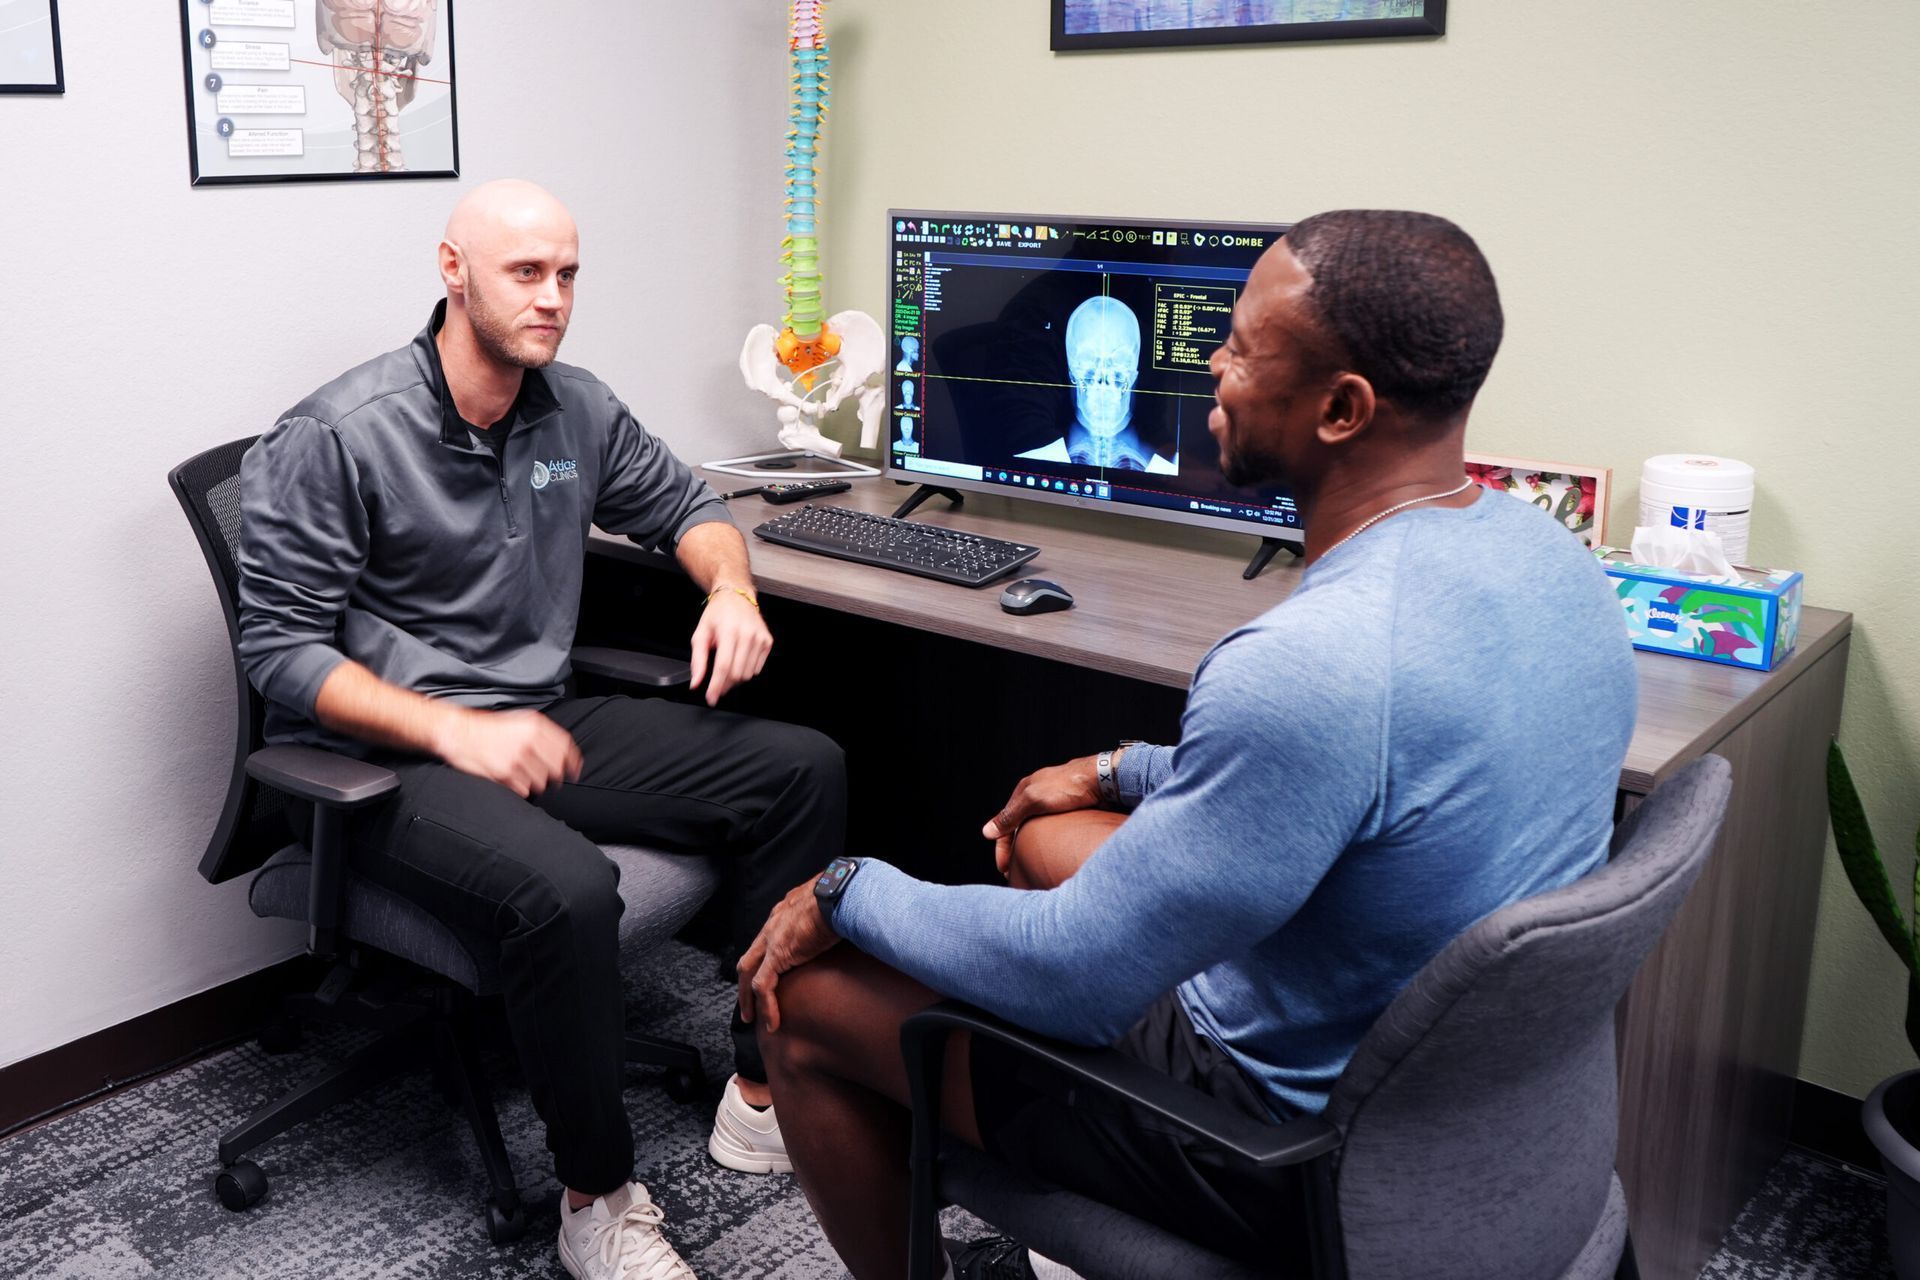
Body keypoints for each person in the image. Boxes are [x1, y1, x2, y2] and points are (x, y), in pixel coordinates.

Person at [735, 210, 1639, 1278]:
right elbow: (1356, 779)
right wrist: (1119, 768)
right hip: (1459, 1092)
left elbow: (1075, 974)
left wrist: (845, 888)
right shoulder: (1557, 557)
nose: (1212, 363)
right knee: (1047, 833)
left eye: (1242, 348)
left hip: (1277, 1144)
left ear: (1342, 409)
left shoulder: (1312, 659)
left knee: (804, 1001)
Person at [236, 179, 844, 1280]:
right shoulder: (337, 435)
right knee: (567, 888)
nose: (554, 297)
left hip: (536, 720)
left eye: (568, 273)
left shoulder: (577, 408)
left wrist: (732, 593)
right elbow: (279, 652)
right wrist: (453, 732)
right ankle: (596, 1198)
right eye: (527, 272)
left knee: (802, 767)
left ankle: (761, 1089)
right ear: (452, 269)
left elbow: (693, 510)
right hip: (384, 757)